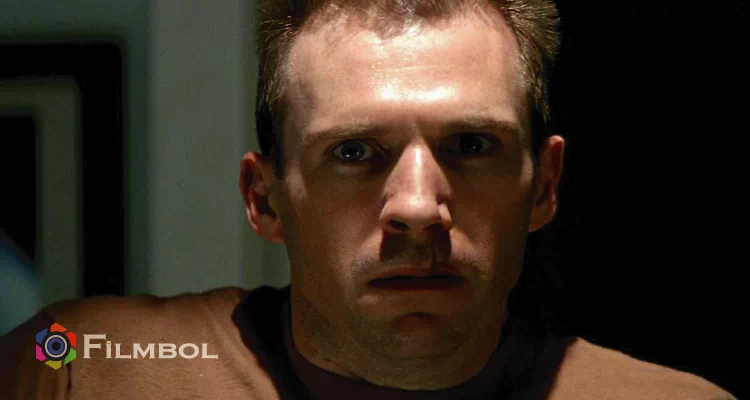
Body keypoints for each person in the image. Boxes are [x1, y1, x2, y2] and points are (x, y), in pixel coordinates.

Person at [0, 0, 737, 399]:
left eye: (470, 144)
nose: (417, 207)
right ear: (265, 200)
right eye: (353, 152)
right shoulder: (77, 362)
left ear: (543, 186)